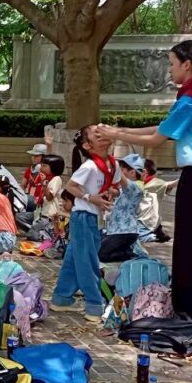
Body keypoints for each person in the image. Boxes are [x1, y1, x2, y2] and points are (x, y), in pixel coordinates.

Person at [97, 40, 192, 332]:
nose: (170, 69)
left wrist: (116, 134)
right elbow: (163, 128)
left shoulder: (191, 97)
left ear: (187, 65)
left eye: (172, 64)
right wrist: (118, 131)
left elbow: (157, 139)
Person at [51, 125, 119, 322]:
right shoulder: (89, 166)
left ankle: (61, 298)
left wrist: (110, 193)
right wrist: (91, 197)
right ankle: (94, 305)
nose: (103, 134)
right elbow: (71, 186)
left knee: (75, 258)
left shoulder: (112, 164)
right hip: (83, 216)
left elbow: (115, 187)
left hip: (94, 217)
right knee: (87, 261)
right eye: (97, 134)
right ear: (88, 145)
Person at [138, 159, 176, 243]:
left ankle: (153, 236)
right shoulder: (135, 182)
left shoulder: (155, 183)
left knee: (134, 238)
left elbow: (169, 184)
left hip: (145, 222)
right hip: (137, 220)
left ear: (145, 171)